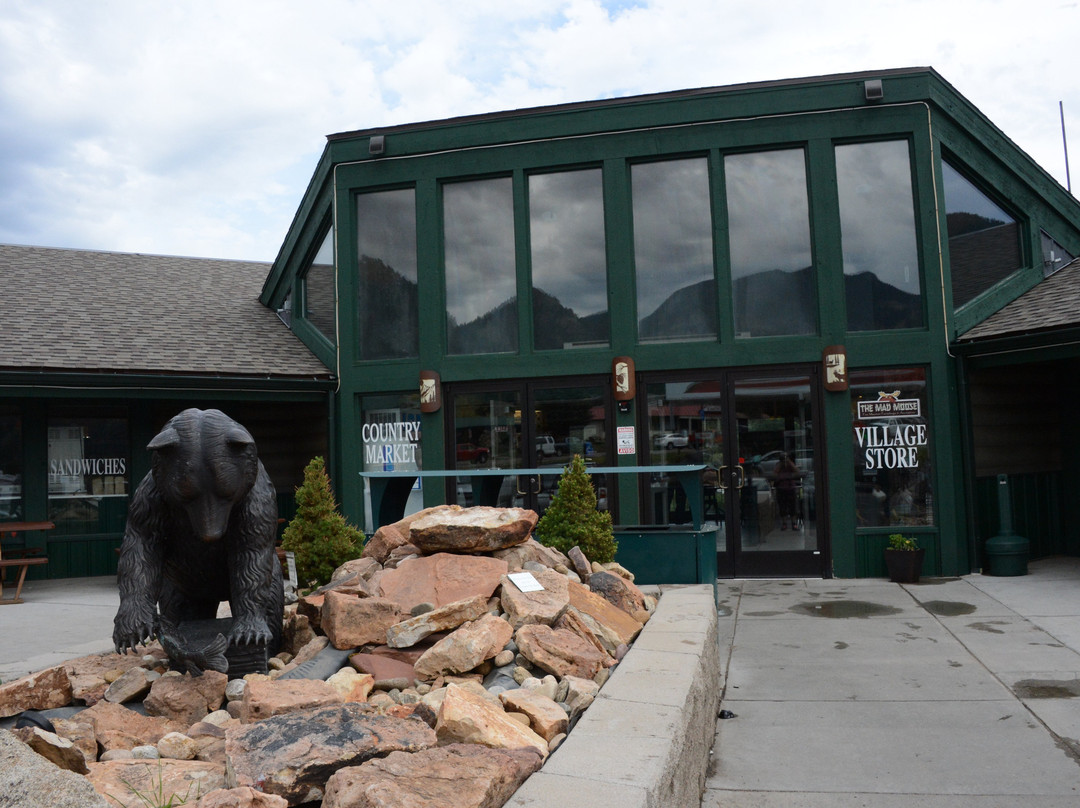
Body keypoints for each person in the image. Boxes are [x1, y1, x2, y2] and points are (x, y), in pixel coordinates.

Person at [772, 453, 802, 530]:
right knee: (782, 507)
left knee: (793, 507)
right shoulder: (778, 465)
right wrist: (781, 465)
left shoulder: (790, 465)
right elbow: (774, 474)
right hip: (781, 488)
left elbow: (797, 472)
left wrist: (789, 463)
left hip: (790, 488)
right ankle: (784, 523)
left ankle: (794, 523)